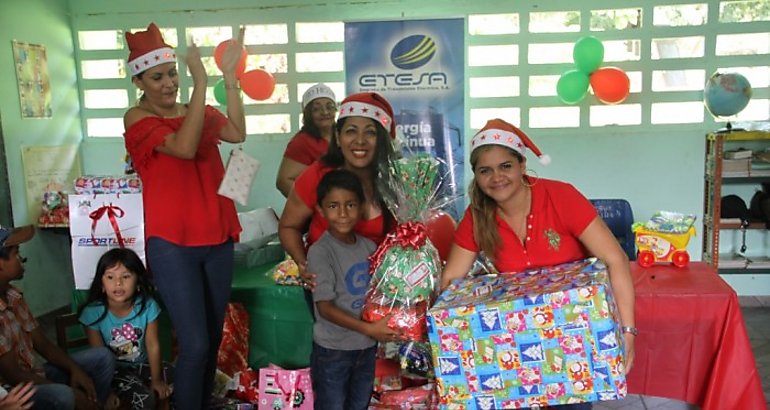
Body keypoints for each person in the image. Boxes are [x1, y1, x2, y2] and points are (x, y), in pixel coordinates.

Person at [439, 119, 636, 410]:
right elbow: (451, 281)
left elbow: (614, 259)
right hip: (514, 348)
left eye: (505, 166)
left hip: (575, 344)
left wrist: (627, 331)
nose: (496, 177)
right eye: (485, 170)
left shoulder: (561, 197)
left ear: (522, 164)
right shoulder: (477, 215)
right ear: (476, 176)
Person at [122, 23, 245, 409]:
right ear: (139, 81)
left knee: (210, 336)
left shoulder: (201, 112)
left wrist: (228, 76)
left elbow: (238, 134)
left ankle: (200, 400)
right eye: (157, 77)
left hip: (217, 238)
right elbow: (186, 147)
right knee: (193, 343)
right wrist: (201, 83)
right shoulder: (137, 119)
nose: (168, 83)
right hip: (173, 245)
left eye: (172, 73)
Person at [279, 92, 399, 290]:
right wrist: (303, 263)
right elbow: (288, 227)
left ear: (382, 139)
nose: (360, 141)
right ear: (337, 136)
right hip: (329, 286)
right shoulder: (317, 175)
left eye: (370, 132)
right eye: (351, 131)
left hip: (384, 289)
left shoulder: (394, 181)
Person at [308, 169, 397, 410]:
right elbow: (325, 308)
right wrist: (369, 329)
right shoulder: (320, 251)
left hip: (366, 348)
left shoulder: (368, 247)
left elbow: (380, 292)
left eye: (350, 205)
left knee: (359, 404)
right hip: (333, 350)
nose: (343, 213)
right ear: (320, 209)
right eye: (334, 206)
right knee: (332, 405)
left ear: (361, 208)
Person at [0, 225, 115, 410]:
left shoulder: (14, 296)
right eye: (16, 253)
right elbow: (14, 375)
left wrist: (74, 370)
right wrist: (71, 393)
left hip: (34, 374)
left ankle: (94, 405)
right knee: (64, 396)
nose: (22, 259)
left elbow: (43, 344)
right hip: (12, 395)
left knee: (102, 357)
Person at [78, 248, 172, 410]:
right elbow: (100, 358)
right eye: (110, 277)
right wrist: (105, 392)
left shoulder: (148, 306)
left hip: (143, 365)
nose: (118, 283)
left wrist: (156, 380)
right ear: (101, 283)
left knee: (187, 378)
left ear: (138, 282)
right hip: (112, 373)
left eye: (126, 276)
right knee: (145, 400)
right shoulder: (93, 313)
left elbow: (152, 345)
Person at [276, 83, 337, 197]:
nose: (325, 112)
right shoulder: (301, 142)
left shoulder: (344, 134)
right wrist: (314, 204)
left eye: (329, 107)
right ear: (308, 114)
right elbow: (283, 182)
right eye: (316, 109)